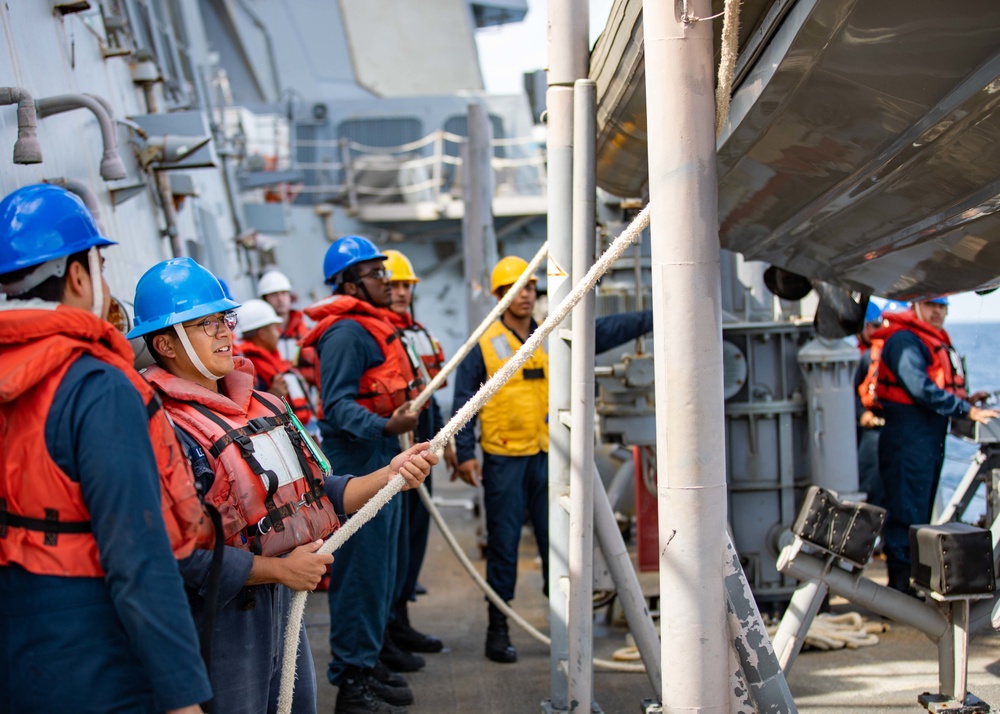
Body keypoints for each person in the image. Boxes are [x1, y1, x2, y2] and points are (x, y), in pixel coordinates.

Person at [129, 257, 436, 714]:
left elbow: (318, 489)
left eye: (223, 319)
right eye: (203, 323)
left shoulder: (266, 404)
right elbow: (175, 557)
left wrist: (390, 475)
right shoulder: (161, 429)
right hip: (220, 621)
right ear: (164, 344)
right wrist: (279, 571)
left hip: (282, 607)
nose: (222, 331)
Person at [0, 184, 212, 713]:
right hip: (91, 641)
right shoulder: (95, 386)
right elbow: (138, 560)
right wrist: (184, 696)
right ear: (78, 275)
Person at [451, 255, 654, 664]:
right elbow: (462, 402)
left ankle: (562, 625)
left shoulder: (552, 332)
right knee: (504, 545)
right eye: (515, 289)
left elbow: (604, 331)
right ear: (499, 296)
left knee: (556, 542)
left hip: (548, 457)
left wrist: (653, 315)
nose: (524, 295)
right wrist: (465, 454)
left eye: (529, 287)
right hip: (504, 458)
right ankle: (499, 628)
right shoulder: (484, 345)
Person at [300, 236, 433, 714]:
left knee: (384, 568)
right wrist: (386, 424)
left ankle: (369, 658)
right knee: (361, 573)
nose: (386, 281)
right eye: (376, 274)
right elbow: (333, 406)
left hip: (382, 455)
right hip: (358, 461)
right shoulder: (345, 334)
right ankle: (351, 682)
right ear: (351, 282)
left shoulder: (376, 327)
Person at [873, 296, 998, 592]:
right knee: (906, 511)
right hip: (908, 436)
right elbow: (919, 387)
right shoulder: (905, 340)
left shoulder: (927, 339)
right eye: (932, 305)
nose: (938, 312)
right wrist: (966, 410)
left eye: (943, 307)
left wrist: (966, 400)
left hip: (926, 436)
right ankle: (901, 589)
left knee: (919, 509)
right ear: (915, 306)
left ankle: (912, 585)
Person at [382, 249, 458, 651]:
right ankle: (389, 625)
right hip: (397, 438)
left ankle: (402, 615)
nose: (399, 293)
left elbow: (433, 394)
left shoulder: (422, 335)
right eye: (392, 285)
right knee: (394, 539)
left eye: (404, 286)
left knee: (414, 533)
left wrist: (448, 441)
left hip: (425, 430)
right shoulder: (378, 335)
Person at [235, 298, 319, 435]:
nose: (279, 333)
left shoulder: (271, 360)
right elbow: (246, 416)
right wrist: (272, 396)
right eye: (274, 328)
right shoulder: (249, 370)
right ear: (261, 334)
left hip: (301, 429)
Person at [855, 299, 886, 505]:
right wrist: (861, 414)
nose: (874, 330)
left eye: (878, 326)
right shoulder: (857, 356)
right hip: (864, 432)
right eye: (872, 325)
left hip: (878, 427)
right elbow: (849, 394)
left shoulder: (874, 354)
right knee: (867, 483)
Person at [258, 269, 309, 365]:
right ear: (265, 299)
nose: (280, 299)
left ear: (290, 296)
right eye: (273, 294)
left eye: (284, 293)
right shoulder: (260, 335)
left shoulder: (304, 330)